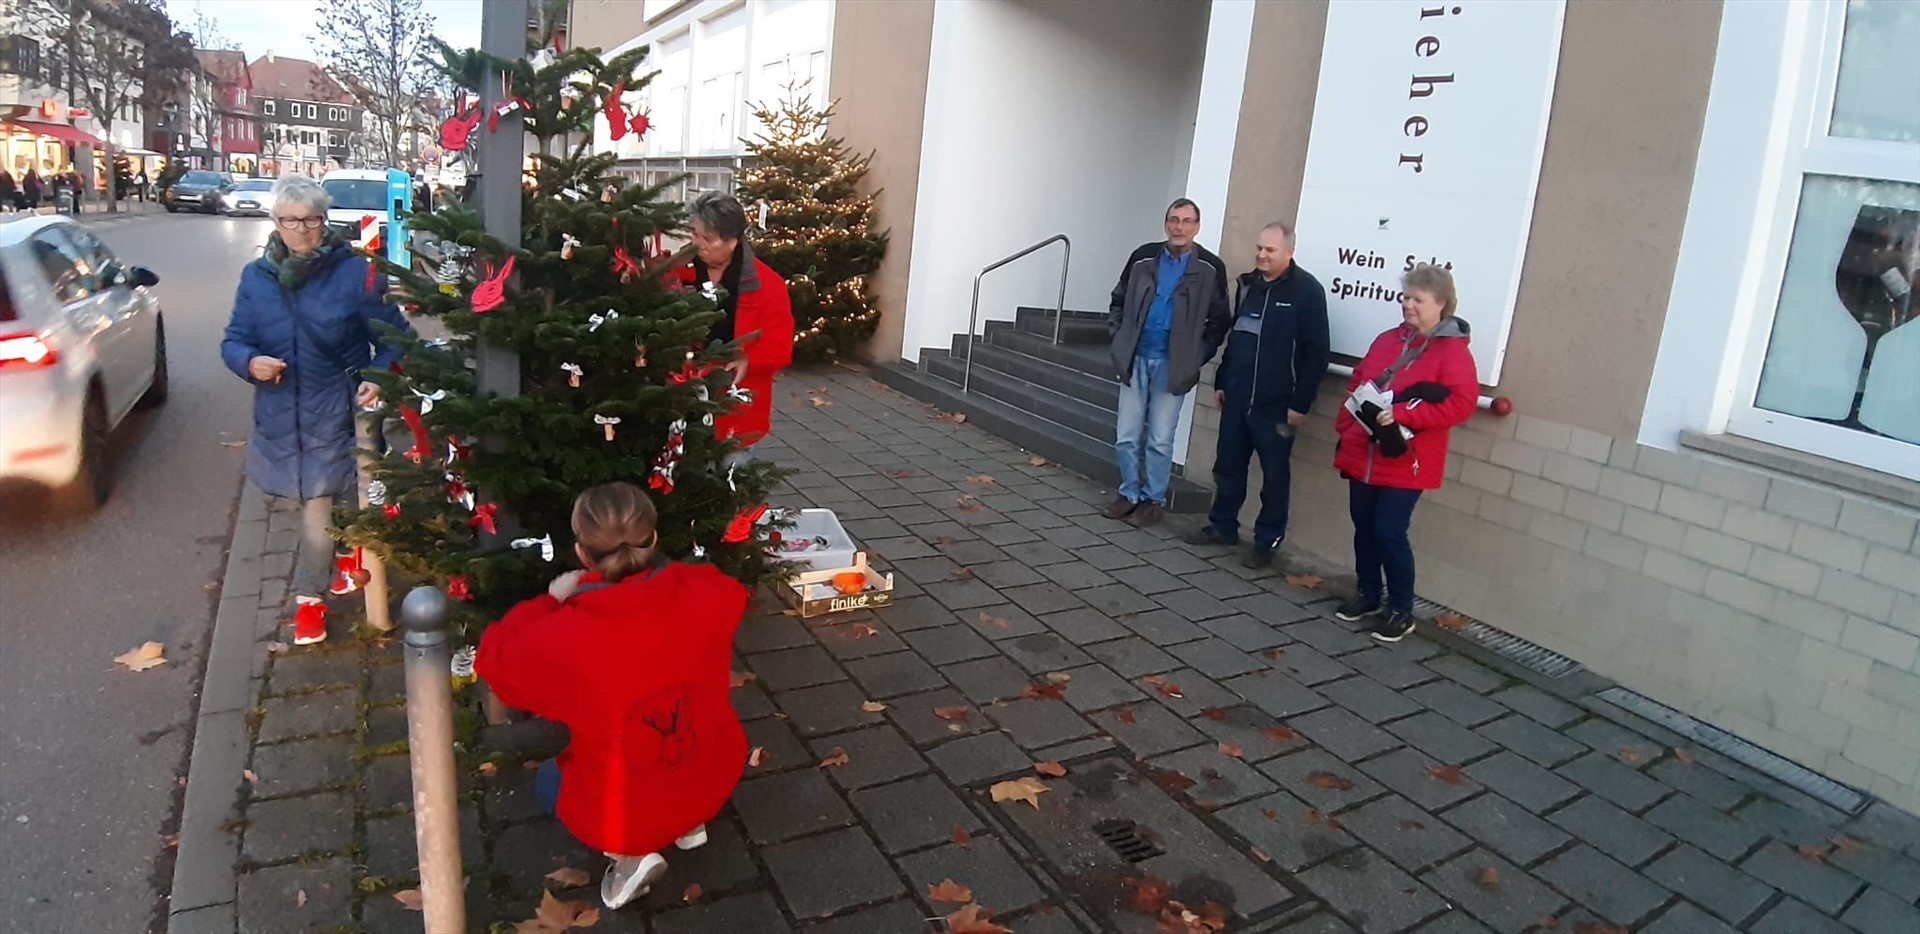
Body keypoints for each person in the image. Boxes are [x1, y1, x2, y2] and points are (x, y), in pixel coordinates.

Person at [475, 482, 749, 910]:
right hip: (713, 773)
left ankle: (631, 858)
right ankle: (689, 824)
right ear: (653, 537)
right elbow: (731, 595)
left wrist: (550, 601)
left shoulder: (567, 634)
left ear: (582, 553)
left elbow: (495, 662)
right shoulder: (709, 589)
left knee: (549, 780)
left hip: (626, 816)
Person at [220, 175, 413, 645]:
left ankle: (309, 601)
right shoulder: (256, 278)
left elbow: (397, 337)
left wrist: (377, 375)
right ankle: (347, 559)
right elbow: (234, 340)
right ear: (276, 222)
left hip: (339, 406)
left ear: (324, 221)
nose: (301, 230)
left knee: (318, 505)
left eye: (311, 220)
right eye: (291, 221)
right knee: (327, 498)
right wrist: (250, 362)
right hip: (281, 409)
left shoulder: (355, 273)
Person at [1331, 264, 1478, 643]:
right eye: (1406, 297)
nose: (1408, 305)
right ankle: (1368, 594)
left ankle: (1401, 609)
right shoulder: (1387, 340)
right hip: (1364, 453)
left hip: (1407, 459)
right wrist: (1347, 424)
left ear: (1441, 303)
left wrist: (1404, 414)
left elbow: (1461, 404)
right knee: (1364, 528)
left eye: (1418, 299)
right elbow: (1359, 381)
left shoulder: (1452, 352)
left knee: (1389, 532)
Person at [1184, 222, 1330, 568]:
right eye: (1259, 248)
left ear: (1289, 252)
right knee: (1228, 465)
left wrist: (1300, 403)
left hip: (1276, 404)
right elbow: (1238, 336)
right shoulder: (1248, 285)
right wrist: (1222, 379)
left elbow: (1317, 352)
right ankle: (1223, 526)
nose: (1262, 255)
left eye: (1270, 250)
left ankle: (1267, 541)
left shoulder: (1306, 291)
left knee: (1274, 476)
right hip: (1237, 396)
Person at [1104, 198, 1231, 528]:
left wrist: (1195, 358)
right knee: (1126, 435)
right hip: (1135, 359)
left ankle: (1153, 499)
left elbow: (1219, 321)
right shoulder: (1142, 258)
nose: (1179, 227)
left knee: (1159, 439)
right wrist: (1120, 341)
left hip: (1172, 366)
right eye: (1174, 220)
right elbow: (1118, 300)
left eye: (1187, 221)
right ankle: (1129, 493)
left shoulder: (1210, 268)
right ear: (1165, 224)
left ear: (1197, 227)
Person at [674, 192, 795, 456]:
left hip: (736, 410)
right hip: (680, 403)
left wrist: (748, 360)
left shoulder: (767, 285)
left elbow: (780, 346)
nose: (697, 243)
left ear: (733, 240)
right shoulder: (677, 272)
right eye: (694, 234)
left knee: (733, 472)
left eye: (708, 238)